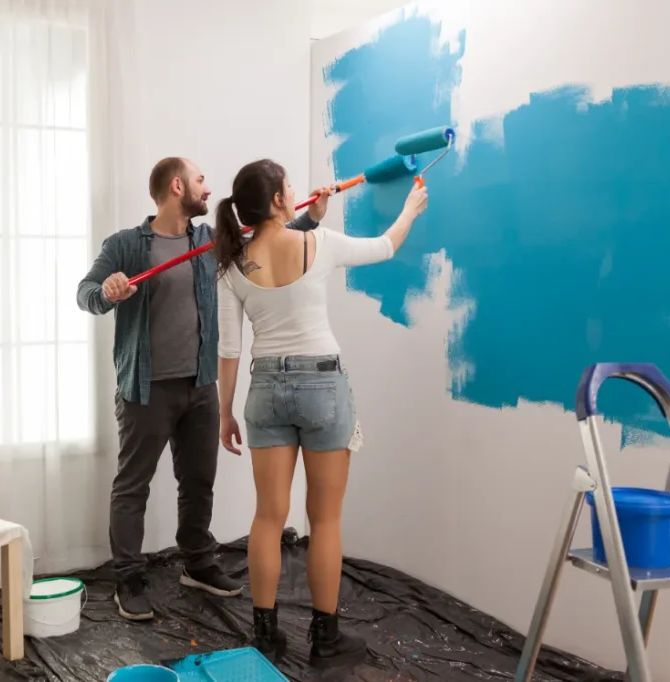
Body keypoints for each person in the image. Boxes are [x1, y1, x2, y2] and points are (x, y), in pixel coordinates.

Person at [76, 156, 325, 621]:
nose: (208, 188)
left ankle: (198, 562)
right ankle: (128, 578)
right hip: (145, 389)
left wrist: (310, 218)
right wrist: (105, 290)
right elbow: (86, 293)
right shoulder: (127, 246)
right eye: (200, 180)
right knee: (133, 487)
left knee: (198, 482)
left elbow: (266, 239)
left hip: (200, 386)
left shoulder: (208, 242)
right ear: (177, 186)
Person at [213, 159, 428, 668]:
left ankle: (265, 637)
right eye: (288, 186)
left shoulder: (232, 266)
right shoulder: (320, 244)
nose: (295, 191)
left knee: (268, 517)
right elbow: (386, 245)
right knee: (324, 518)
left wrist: (225, 413)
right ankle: (324, 639)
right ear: (279, 202)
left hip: (264, 388)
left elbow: (228, 350)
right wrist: (412, 208)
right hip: (322, 384)